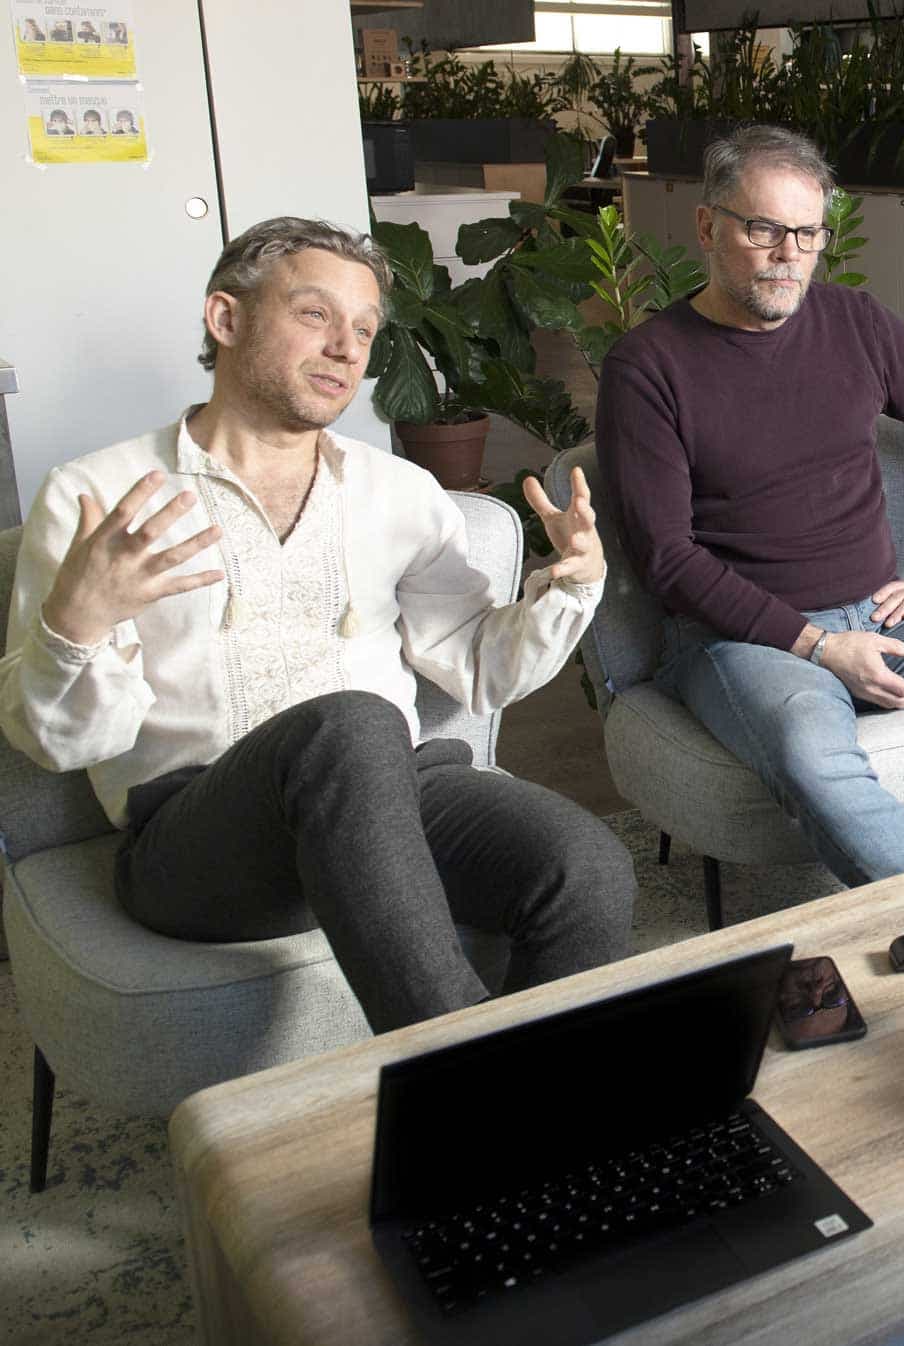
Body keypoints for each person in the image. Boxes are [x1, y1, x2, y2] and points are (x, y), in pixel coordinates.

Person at [0, 217, 635, 1033]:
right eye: (314, 315)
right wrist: (75, 623)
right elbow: (60, 745)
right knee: (351, 722)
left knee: (585, 867)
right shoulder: (105, 494)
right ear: (226, 319)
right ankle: (465, 1083)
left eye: (365, 329)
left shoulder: (398, 491)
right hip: (199, 837)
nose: (347, 348)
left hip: (396, 794)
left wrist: (569, 588)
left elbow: (475, 668)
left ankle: (548, 1143)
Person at [596, 125, 904, 886]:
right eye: (764, 228)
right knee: (810, 744)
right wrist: (816, 646)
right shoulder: (649, 366)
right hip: (739, 639)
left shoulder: (854, 323)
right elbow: (669, 560)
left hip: (882, 612)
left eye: (807, 233)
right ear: (707, 226)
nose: (789, 254)